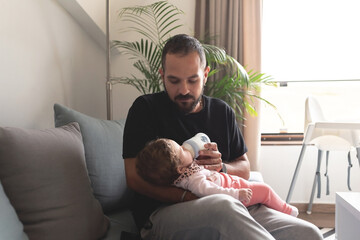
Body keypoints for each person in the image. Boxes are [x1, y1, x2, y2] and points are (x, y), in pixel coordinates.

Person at [123, 33, 323, 240]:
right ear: (162, 74)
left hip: (231, 203)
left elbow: (244, 168)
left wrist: (222, 168)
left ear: (206, 74)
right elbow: (134, 178)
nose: (184, 90)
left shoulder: (221, 111)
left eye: (193, 80)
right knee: (223, 206)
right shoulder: (145, 109)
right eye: (174, 81)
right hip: (165, 212)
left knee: (308, 233)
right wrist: (193, 195)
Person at [135, 138, 299, 217]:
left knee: (259, 188)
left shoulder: (186, 171)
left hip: (232, 182)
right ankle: (288, 211)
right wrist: (237, 194)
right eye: (182, 150)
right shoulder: (193, 180)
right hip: (234, 191)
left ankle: (278, 211)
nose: (186, 148)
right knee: (265, 191)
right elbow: (211, 192)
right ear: (179, 168)